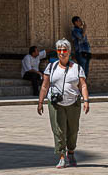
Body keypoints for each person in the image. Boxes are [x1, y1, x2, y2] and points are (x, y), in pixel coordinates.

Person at [37, 39, 90, 167]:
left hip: (73, 103)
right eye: (59, 50)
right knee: (59, 130)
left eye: (64, 50)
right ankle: (61, 156)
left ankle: (70, 152)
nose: (62, 53)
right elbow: (45, 86)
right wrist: (40, 102)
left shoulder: (77, 68)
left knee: (73, 130)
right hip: (56, 103)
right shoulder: (51, 67)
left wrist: (86, 100)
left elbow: (83, 85)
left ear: (69, 52)